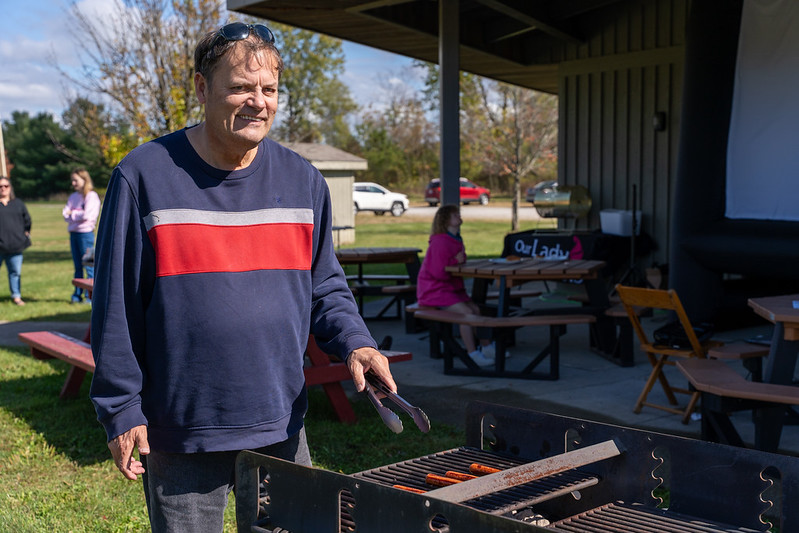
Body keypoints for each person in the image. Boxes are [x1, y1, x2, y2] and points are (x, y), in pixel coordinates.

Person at [89, 22, 396, 532]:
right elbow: (115, 307)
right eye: (240, 88)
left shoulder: (303, 180)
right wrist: (121, 408)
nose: (258, 102)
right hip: (182, 433)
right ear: (202, 88)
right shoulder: (143, 176)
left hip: (280, 424)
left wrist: (356, 342)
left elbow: (324, 285)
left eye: (269, 89)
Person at [416, 204, 495, 366]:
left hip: (452, 288)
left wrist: (458, 260)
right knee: (467, 313)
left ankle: (487, 347)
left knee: (476, 309)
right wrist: (455, 261)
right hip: (434, 291)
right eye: (455, 215)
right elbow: (438, 272)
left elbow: (460, 260)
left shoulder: (456, 239)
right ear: (446, 220)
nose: (459, 216)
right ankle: (472, 354)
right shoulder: (440, 242)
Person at [62, 168, 100, 303]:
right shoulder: (73, 197)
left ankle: (90, 296)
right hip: (74, 234)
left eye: (75, 180)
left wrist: (73, 214)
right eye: (72, 180)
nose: (73, 183)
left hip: (86, 235)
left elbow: (88, 215)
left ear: (84, 180)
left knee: (89, 265)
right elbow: (65, 214)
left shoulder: (91, 196)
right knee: (77, 266)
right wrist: (77, 214)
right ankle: (76, 295)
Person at [0, 176, 32, 306]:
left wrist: (25, 234)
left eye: (6, 186)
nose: (3, 188)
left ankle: (16, 296)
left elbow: (27, 221)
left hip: (15, 246)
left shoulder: (18, 203)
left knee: (15, 273)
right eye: (0, 186)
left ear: (10, 187)